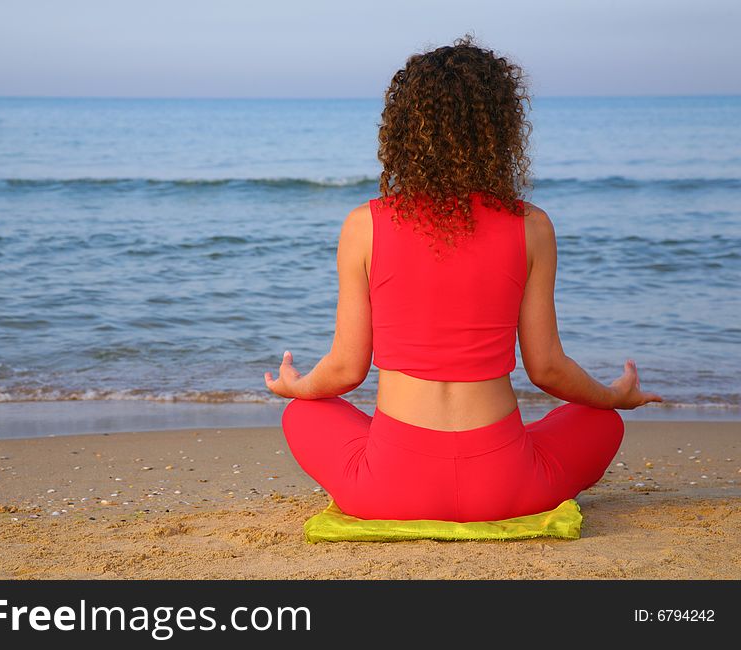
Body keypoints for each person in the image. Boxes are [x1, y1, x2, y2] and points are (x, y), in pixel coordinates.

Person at [264, 36, 663, 523]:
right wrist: (614, 397)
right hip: (507, 488)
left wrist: (296, 386)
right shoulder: (532, 226)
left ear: (404, 130)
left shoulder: (364, 225)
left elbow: (347, 370)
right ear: (502, 129)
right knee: (601, 421)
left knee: (304, 413)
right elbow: (548, 369)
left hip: (388, 489)